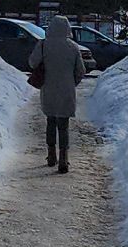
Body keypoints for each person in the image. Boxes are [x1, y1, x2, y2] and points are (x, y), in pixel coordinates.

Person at [28, 16, 85, 173]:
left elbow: (32, 63)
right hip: (67, 90)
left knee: (51, 121)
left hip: (49, 88)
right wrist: (72, 83)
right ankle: (64, 159)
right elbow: (81, 70)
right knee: (63, 125)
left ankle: (51, 155)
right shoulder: (73, 47)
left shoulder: (43, 45)